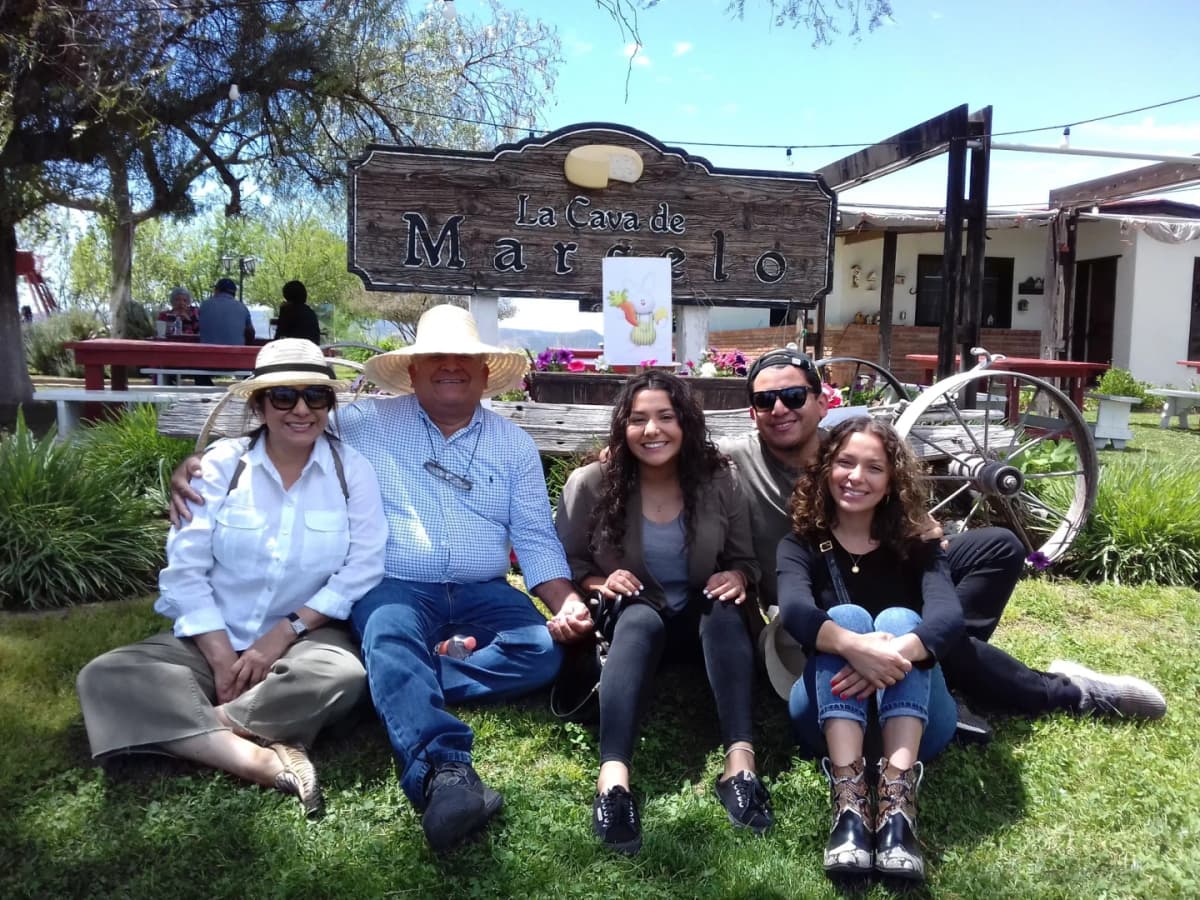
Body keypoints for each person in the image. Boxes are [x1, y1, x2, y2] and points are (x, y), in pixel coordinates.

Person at [169, 304, 593, 853]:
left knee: (540, 652)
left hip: (485, 588)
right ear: (412, 371)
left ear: (486, 373)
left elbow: (535, 536)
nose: (450, 367)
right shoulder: (363, 421)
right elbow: (285, 415)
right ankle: (444, 772)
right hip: (396, 582)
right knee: (391, 636)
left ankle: (393, 684)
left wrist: (566, 603)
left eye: (464, 360)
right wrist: (199, 463)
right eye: (434, 358)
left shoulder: (513, 445)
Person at [723, 348, 1166, 727]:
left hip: (882, 569)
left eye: (794, 395)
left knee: (998, 546)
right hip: (825, 599)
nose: (780, 408)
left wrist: (920, 527)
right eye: (766, 400)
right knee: (933, 637)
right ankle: (1054, 689)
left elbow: (901, 501)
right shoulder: (733, 460)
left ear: (821, 403)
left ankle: (934, 662)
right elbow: (666, 456)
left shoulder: (848, 446)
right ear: (753, 412)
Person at [78, 339, 387, 818]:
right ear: (260, 405)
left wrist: (283, 634)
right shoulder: (222, 464)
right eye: (284, 396)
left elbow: (362, 566)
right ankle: (256, 758)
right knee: (105, 675)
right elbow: (185, 569)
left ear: (330, 404)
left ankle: (198, 727)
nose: (301, 409)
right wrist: (222, 657)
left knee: (341, 675)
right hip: (212, 634)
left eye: (315, 396)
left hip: (304, 637)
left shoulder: (353, 470)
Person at [555, 372, 770, 854]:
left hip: (700, 619)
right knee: (637, 618)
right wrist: (600, 582)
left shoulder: (718, 480)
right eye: (638, 420)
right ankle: (613, 782)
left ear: (685, 423)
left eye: (665, 417)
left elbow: (745, 561)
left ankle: (740, 767)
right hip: (635, 615)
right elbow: (569, 564)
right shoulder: (591, 484)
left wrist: (736, 578)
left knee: (723, 610)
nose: (652, 430)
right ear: (623, 428)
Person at [779, 417, 960, 880]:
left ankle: (898, 811)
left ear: (892, 480)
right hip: (827, 716)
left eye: (874, 468)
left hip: (917, 722)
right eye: (845, 462)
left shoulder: (917, 543)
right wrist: (856, 647)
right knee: (845, 619)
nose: (856, 477)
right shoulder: (800, 543)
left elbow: (947, 617)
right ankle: (849, 808)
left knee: (903, 620)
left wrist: (891, 652)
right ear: (825, 469)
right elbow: (796, 612)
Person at [199, 277, 255, 346]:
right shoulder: (242, 308)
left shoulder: (204, 305)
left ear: (217, 290)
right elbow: (251, 333)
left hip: (206, 354)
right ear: (234, 293)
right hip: (235, 354)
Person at [274, 280, 321, 345]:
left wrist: (282, 311)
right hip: (311, 351)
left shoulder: (287, 311)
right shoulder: (310, 312)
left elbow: (278, 338)